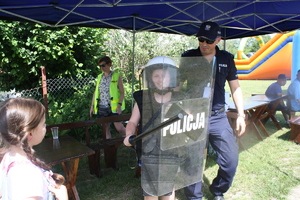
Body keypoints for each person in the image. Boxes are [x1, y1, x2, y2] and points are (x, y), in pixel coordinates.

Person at [178, 21, 246, 200]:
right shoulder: (188, 57)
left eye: (208, 40)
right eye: (201, 39)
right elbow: (177, 88)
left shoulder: (226, 58)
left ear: (218, 40)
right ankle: (194, 197)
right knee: (192, 160)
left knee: (230, 161)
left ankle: (218, 190)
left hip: (217, 117)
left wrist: (241, 115)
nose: (204, 44)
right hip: (194, 117)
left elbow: (235, 88)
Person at [124, 56, 184, 200]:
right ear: (150, 77)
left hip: (171, 152)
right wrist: (128, 135)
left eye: (164, 75)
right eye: (156, 75)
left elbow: (191, 123)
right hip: (149, 152)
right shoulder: (142, 98)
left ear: (172, 77)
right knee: (150, 193)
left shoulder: (181, 98)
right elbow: (132, 122)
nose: (160, 79)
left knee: (168, 192)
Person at [0, 98, 68, 200]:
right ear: (30, 133)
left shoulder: (8, 157)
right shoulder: (27, 174)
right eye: (43, 124)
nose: (45, 126)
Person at [90, 56, 126, 139]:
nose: (102, 68)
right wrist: (92, 107)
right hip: (102, 107)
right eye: (100, 66)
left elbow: (122, 92)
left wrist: (119, 105)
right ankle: (109, 151)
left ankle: (134, 139)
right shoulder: (99, 77)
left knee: (119, 128)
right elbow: (95, 93)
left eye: (103, 65)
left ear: (109, 64)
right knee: (105, 128)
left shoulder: (116, 76)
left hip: (114, 108)